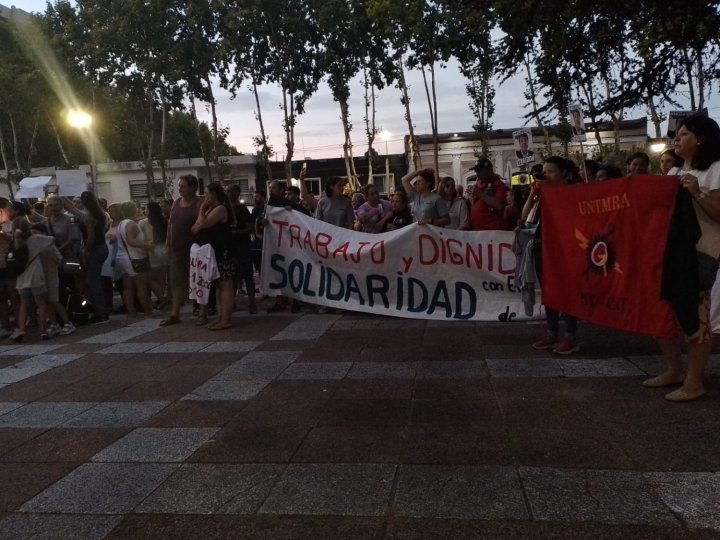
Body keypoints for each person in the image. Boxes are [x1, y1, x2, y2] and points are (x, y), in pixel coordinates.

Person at [645, 114, 720, 402]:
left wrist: (697, 192)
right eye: (677, 134)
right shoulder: (673, 174)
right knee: (664, 313)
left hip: (701, 253)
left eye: (684, 133)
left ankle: (694, 380)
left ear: (700, 139)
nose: (676, 139)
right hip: (671, 253)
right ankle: (673, 369)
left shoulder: (715, 169)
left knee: (695, 315)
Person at [525, 156, 581, 355]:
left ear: (564, 173)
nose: (546, 175)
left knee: (568, 291)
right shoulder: (543, 194)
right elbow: (525, 218)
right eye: (545, 171)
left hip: (566, 248)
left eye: (551, 171)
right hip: (543, 245)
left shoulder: (573, 192)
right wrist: (533, 196)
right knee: (549, 290)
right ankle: (552, 332)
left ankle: (570, 335)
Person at [191, 182, 237, 330]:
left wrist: (202, 210)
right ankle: (221, 317)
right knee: (218, 286)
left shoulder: (221, 208)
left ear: (214, 194)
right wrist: (203, 213)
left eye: (206, 193)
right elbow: (195, 229)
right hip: (213, 252)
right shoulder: (211, 209)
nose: (204, 197)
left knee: (225, 285)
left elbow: (202, 225)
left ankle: (226, 319)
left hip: (223, 251)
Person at [160, 175, 202, 326]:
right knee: (176, 282)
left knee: (197, 280)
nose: (180, 189)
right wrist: (168, 243)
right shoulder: (177, 202)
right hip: (176, 249)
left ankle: (199, 309)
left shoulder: (199, 203)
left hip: (193, 249)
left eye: (183, 186)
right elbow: (171, 224)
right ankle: (175, 313)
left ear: (192, 188)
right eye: (179, 186)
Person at [74, 191, 109, 324]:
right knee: (93, 280)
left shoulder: (88, 216)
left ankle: (101, 312)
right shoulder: (100, 214)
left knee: (93, 281)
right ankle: (99, 310)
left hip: (95, 249)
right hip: (101, 247)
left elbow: (91, 236)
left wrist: (86, 252)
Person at [116, 200, 153, 319]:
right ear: (134, 210)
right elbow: (131, 240)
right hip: (134, 258)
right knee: (141, 285)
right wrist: (147, 245)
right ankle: (147, 311)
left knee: (128, 287)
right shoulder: (131, 224)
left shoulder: (121, 224)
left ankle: (132, 312)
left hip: (123, 258)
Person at [226, 184, 257, 315]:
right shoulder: (225, 209)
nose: (227, 192)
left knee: (248, 276)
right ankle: (231, 302)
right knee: (231, 277)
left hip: (243, 248)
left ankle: (252, 303)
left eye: (229, 191)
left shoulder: (243, 209)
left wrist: (237, 233)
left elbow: (251, 228)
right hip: (230, 248)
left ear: (236, 193)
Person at [139, 201, 169, 309]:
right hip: (164, 249)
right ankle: (161, 298)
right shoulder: (164, 220)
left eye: (146, 209)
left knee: (151, 278)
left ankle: (161, 298)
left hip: (152, 249)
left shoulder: (144, 222)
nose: (144, 211)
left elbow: (141, 238)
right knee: (161, 277)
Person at [467, 158, 507, 231]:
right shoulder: (478, 184)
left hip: (491, 232)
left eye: (479, 171)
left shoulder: (498, 185)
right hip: (478, 232)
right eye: (476, 171)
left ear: (489, 171)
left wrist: (480, 193)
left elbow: (499, 205)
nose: (477, 174)